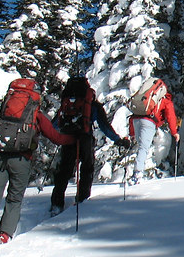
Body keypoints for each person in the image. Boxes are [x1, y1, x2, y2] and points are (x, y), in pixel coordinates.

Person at [0, 78, 76, 257]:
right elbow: (55, 137)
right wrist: (74, 139)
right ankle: (4, 236)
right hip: (21, 159)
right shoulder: (36, 115)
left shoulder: (6, 111)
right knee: (14, 199)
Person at [49, 76, 130, 215]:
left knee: (64, 170)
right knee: (87, 168)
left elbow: (55, 123)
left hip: (67, 136)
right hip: (85, 137)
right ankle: (82, 200)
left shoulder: (67, 103)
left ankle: (57, 203)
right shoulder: (91, 103)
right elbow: (104, 126)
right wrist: (118, 140)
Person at [128, 85, 179, 184]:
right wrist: (174, 132)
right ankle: (137, 174)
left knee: (141, 147)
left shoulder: (146, 99)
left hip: (136, 120)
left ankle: (137, 171)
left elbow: (134, 114)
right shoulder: (166, 100)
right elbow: (171, 117)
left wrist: (132, 133)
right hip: (149, 122)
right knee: (144, 147)